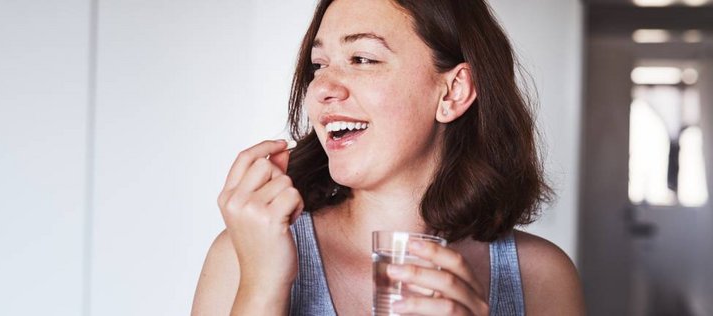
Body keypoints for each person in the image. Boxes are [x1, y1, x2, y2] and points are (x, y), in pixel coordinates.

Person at [192, 0, 585, 315]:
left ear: (452, 93)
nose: (322, 89)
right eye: (319, 65)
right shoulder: (242, 255)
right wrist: (262, 288)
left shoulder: (541, 277)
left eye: (363, 59)